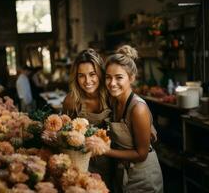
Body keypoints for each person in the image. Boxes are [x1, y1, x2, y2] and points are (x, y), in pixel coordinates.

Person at [104, 45, 163, 193]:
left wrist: (104, 150)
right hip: (123, 173)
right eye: (108, 77)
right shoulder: (114, 102)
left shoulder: (138, 109)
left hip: (143, 176)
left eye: (119, 77)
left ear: (131, 78)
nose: (112, 83)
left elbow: (141, 154)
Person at [62, 48, 113, 189]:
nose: (87, 81)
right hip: (84, 165)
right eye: (81, 76)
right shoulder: (71, 101)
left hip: (113, 161)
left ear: (100, 74)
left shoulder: (111, 96)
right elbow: (63, 137)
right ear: (76, 77)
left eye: (92, 74)